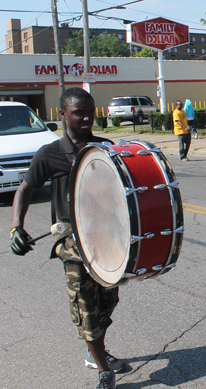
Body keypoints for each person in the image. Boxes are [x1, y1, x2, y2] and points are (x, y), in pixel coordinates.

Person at [10, 88, 124, 389]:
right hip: (72, 244)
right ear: (62, 114)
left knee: (106, 301)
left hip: (107, 240)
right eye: (78, 113)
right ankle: (104, 370)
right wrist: (16, 227)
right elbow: (25, 189)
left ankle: (94, 350)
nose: (87, 118)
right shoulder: (50, 153)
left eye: (91, 111)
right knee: (86, 306)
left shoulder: (105, 148)